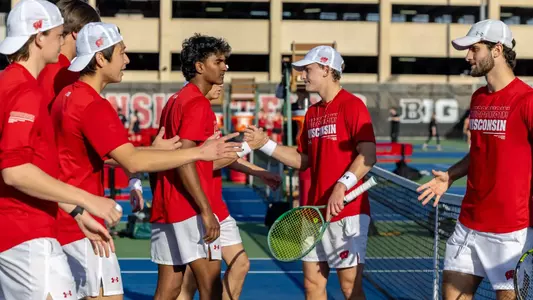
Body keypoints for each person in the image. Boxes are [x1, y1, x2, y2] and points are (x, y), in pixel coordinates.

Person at [50, 23, 242, 300]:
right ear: (101, 58)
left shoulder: (65, 97)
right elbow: (133, 160)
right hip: (83, 223)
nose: (127, 60)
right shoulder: (93, 104)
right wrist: (199, 153)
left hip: (69, 218)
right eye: (122, 52)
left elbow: (108, 155)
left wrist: (154, 153)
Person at [0, 1, 122, 299]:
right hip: (27, 232)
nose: (65, 40)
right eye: (59, 33)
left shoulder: (8, 83)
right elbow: (14, 170)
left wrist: (76, 211)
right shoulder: (25, 91)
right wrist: (88, 200)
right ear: (39, 37)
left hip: (22, 230)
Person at [243, 45, 377, 300]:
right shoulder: (313, 113)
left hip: (346, 213)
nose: (302, 75)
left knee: (350, 289)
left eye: (308, 69)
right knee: (312, 285)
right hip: (313, 213)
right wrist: (265, 145)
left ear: (326, 69)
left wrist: (341, 186)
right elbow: (303, 160)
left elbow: (368, 154)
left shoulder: (353, 105)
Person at [417, 19, 533, 300]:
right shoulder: (478, 98)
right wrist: (452, 175)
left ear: (497, 50)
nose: (468, 56)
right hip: (469, 223)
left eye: (475, 49)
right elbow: (480, 151)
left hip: (511, 232)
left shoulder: (527, 100)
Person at [150, 33, 255, 300]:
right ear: (199, 66)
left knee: (169, 290)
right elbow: (186, 158)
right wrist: (206, 210)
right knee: (211, 289)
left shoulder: (174, 100)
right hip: (190, 209)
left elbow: (161, 157)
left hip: (167, 207)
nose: (225, 67)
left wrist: (159, 196)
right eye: (218, 61)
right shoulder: (197, 104)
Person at [176, 84, 282, 300]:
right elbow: (202, 164)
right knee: (192, 280)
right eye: (217, 79)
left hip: (217, 207)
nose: (221, 85)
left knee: (240, 264)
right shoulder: (192, 109)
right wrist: (247, 146)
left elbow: (224, 158)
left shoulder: (207, 112)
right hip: (198, 206)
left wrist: (259, 172)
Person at [37, 0, 100, 106]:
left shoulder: (42, 64)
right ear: (77, 33)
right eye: (93, 34)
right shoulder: (66, 72)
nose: (96, 41)